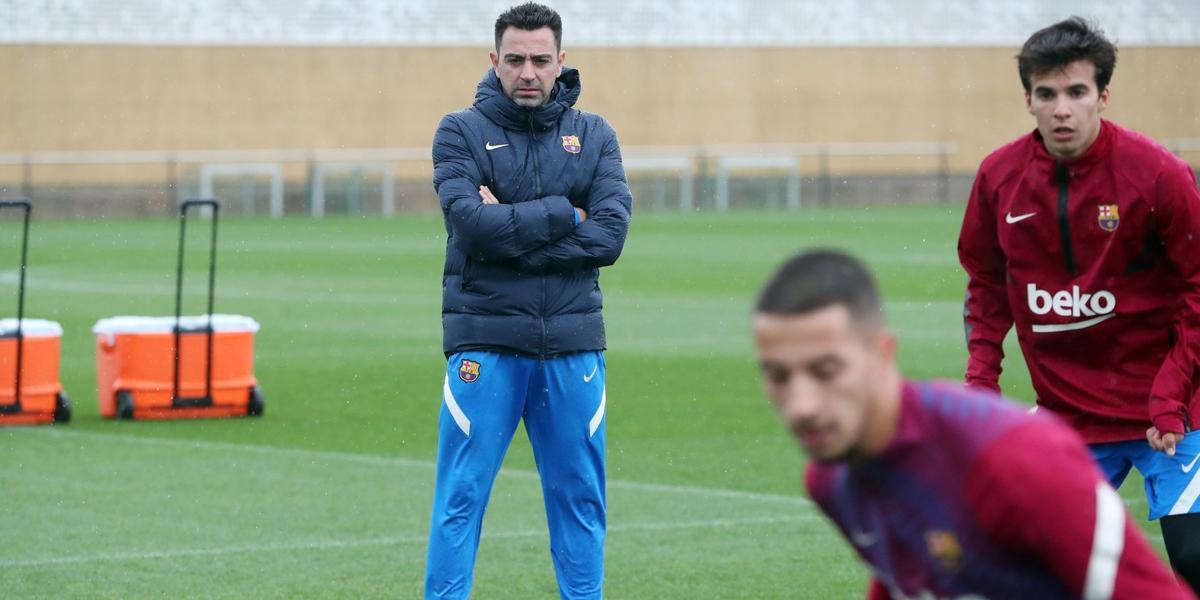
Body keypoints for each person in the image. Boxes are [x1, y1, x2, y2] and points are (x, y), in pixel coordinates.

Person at [752, 249, 1192, 599]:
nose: (802, 406)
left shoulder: (1016, 459)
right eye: (778, 376)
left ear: (882, 354)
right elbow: (906, 576)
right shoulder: (831, 479)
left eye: (826, 370)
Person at [958, 16, 1200, 591]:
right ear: (1028, 100)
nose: (1061, 109)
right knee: (1027, 567)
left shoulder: (1158, 174)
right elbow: (986, 287)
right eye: (1047, 95)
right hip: (1068, 418)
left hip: (1173, 414)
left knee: (1195, 559)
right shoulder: (999, 178)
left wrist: (1171, 395)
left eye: (1076, 93)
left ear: (1102, 96)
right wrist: (981, 386)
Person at [423, 3, 632, 599]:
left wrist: (508, 235)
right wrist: (566, 213)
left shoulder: (595, 135)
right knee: (460, 499)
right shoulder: (458, 131)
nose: (528, 72)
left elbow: (610, 237)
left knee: (581, 502)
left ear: (561, 60)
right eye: (515, 59)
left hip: (571, 348)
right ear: (494, 61)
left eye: (541, 59)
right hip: (484, 347)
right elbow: (470, 227)